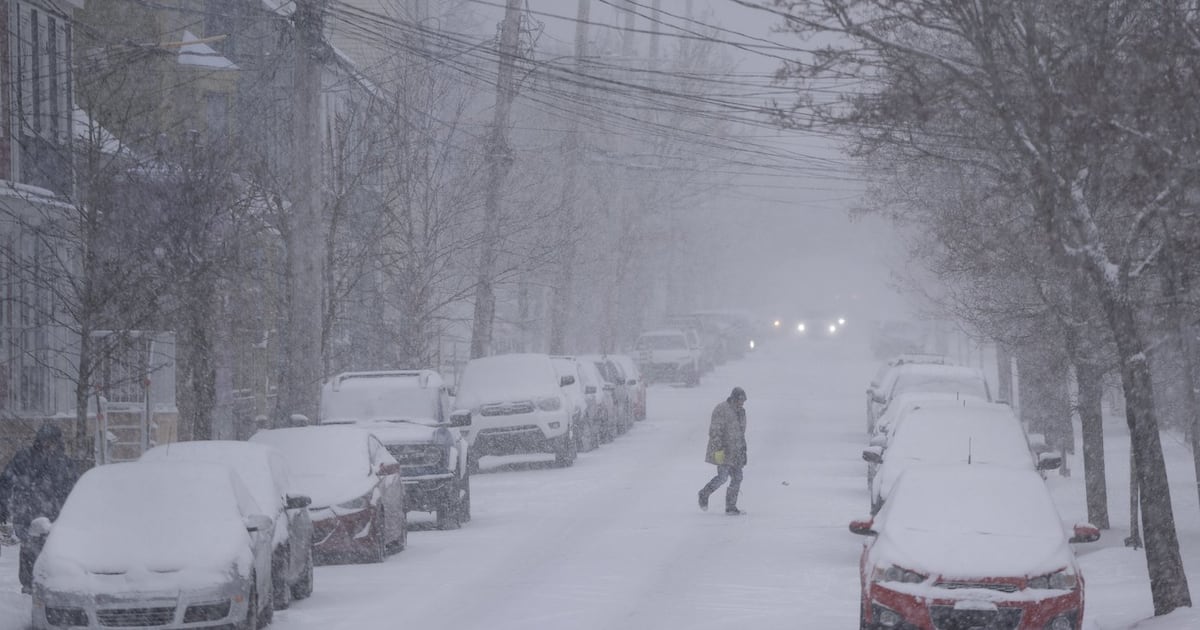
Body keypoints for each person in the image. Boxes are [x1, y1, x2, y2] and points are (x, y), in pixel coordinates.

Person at [0, 424, 79, 593]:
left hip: (54, 518)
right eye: (46, 441)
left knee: (52, 553)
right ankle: (29, 587)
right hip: (27, 517)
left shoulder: (64, 463)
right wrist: (3, 505)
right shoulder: (24, 458)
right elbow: (6, 482)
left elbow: (74, 491)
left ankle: (50, 586)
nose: (48, 445)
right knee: (30, 551)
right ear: (39, 441)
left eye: (52, 442)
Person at [698, 387, 748, 515]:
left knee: (737, 477)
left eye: (743, 400)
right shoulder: (721, 409)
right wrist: (719, 449)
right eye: (740, 400)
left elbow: (741, 433)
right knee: (722, 477)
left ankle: (731, 506)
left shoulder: (742, 412)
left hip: (736, 451)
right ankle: (704, 493)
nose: (742, 403)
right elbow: (715, 431)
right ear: (733, 398)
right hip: (723, 451)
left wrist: (743, 450)